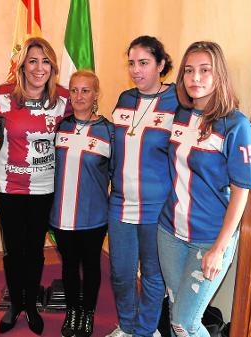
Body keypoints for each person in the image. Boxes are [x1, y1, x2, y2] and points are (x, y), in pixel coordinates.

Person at [157, 41, 251, 337]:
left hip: (208, 239)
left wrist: (219, 248)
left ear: (219, 76)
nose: (194, 78)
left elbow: (241, 190)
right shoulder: (179, 116)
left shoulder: (236, 125)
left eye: (204, 70)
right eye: (188, 71)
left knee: (185, 323)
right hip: (170, 232)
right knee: (176, 312)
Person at [0, 36, 72, 335]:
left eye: (46, 62)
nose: (40, 68)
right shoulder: (2, 96)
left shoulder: (63, 99)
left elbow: (87, 112)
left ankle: (30, 304)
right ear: (22, 65)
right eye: (33, 61)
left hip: (44, 188)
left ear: (53, 66)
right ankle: (16, 303)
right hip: (8, 187)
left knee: (35, 249)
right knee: (13, 250)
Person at [106, 36, 178, 337]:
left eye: (144, 63)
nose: (136, 70)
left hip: (156, 207)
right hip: (120, 203)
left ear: (161, 65)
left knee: (152, 275)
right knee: (121, 273)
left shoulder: (178, 102)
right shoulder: (124, 99)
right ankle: (126, 324)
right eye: (132, 63)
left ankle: (145, 330)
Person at [50, 70, 113, 337]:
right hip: (60, 214)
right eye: (74, 90)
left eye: (85, 90)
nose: (78, 96)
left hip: (93, 215)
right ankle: (72, 311)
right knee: (68, 266)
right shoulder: (59, 127)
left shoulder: (108, 131)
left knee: (90, 266)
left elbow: (116, 173)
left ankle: (87, 312)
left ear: (96, 94)